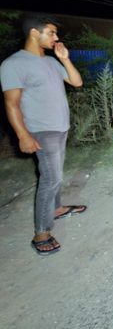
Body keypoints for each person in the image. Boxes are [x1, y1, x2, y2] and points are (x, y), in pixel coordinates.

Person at [0, 13, 85, 256]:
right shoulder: (13, 64)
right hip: (41, 129)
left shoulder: (51, 61)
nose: (56, 38)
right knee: (50, 178)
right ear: (34, 33)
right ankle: (41, 232)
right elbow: (11, 104)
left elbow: (77, 82)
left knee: (56, 175)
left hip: (61, 126)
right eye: (51, 33)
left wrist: (65, 59)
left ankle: (56, 208)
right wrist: (23, 135)